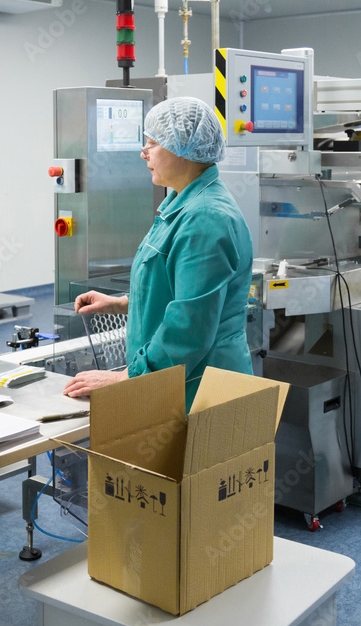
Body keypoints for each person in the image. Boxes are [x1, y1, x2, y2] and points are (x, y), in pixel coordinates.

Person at [63, 97, 253, 410]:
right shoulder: (184, 206)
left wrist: (129, 378)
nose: (144, 153)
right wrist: (124, 304)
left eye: (152, 143)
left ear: (184, 148)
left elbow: (189, 328)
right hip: (180, 383)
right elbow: (177, 288)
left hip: (202, 392)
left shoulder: (205, 218)